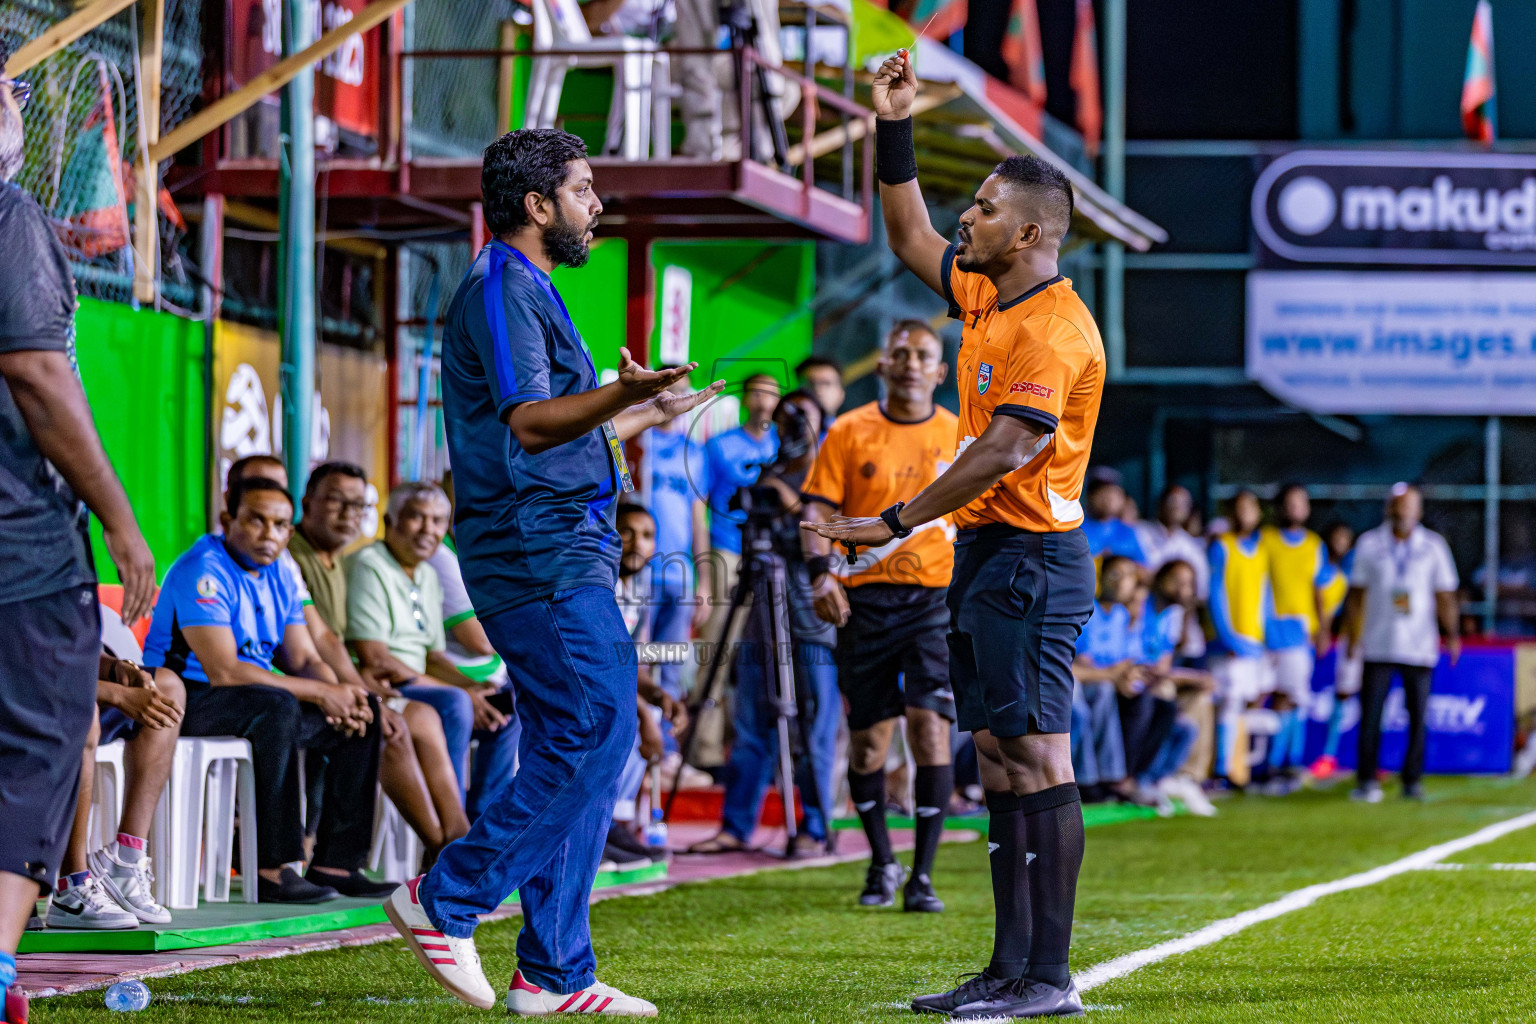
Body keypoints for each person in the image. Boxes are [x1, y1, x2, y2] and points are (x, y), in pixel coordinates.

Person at [383, 128, 721, 1015]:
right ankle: (444, 898)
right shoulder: (501, 281)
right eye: (583, 188)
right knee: (600, 730)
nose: (595, 203)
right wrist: (628, 392)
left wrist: (647, 413)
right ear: (537, 207)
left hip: (559, 543)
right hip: (537, 553)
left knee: (586, 736)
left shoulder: (529, 288)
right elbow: (532, 424)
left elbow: (556, 439)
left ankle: (553, 973)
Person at [806, 50, 1103, 1017]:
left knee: (1038, 757)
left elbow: (1007, 450)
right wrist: (891, 122)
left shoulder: (1052, 333)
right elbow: (904, 227)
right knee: (995, 756)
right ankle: (1007, 967)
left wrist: (894, 519)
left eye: (978, 208)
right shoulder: (987, 292)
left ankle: (1047, 978)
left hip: (1032, 562)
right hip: (985, 558)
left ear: (1024, 232)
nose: (962, 219)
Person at [0, 54, 158, 1024]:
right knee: (32, 754)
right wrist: (120, 514)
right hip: (18, 553)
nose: (16, 100)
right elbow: (38, 374)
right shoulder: (8, 216)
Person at [143, 476, 389, 903]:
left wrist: (339, 695)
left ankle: (337, 862)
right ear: (227, 519)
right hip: (183, 699)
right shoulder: (203, 568)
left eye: (279, 525)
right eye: (256, 521)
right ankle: (272, 869)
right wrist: (317, 694)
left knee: (363, 710)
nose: (269, 534)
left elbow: (305, 657)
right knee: (276, 707)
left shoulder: (279, 573)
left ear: (289, 532)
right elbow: (224, 670)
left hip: (251, 696)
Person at [801, 320, 958, 911]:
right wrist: (819, 574)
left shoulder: (959, 434)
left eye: (924, 355)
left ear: (940, 371)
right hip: (862, 600)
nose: (913, 363)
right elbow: (815, 512)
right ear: (885, 366)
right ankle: (881, 863)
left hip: (935, 601)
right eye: (901, 354)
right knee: (869, 744)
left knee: (930, 727)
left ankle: (923, 876)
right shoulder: (847, 431)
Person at [289, 463, 471, 865]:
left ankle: (456, 837)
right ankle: (445, 849)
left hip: (345, 682)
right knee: (402, 721)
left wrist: (360, 688)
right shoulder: (295, 557)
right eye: (337, 501)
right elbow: (318, 650)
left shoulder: (334, 559)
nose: (348, 513)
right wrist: (359, 691)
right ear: (307, 504)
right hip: (302, 687)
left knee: (427, 715)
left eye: (357, 504)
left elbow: (330, 641)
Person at [688, 391, 841, 857]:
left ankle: (815, 829)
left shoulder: (833, 465)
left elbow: (839, 526)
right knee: (753, 710)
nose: (792, 425)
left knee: (813, 715)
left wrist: (790, 502)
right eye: (785, 418)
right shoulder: (770, 468)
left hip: (811, 598)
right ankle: (736, 826)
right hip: (763, 592)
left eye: (803, 417)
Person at [347, 483, 520, 824]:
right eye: (417, 518)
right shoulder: (370, 564)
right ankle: (453, 828)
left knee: (506, 702)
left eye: (438, 521)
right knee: (455, 705)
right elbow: (375, 658)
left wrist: (474, 690)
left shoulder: (427, 573)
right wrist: (462, 693)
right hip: (383, 685)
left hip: (417, 679)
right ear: (389, 520)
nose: (429, 529)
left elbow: (432, 656)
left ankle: (484, 822)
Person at [40, 617, 184, 931]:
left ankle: (125, 859)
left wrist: (118, 668)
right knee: (82, 712)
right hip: (24, 698)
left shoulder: (63, 576)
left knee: (167, 686)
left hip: (54, 687)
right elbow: (26, 669)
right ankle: (71, 886)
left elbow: (72, 651)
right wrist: (115, 694)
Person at [1342, 484, 1460, 803]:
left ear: (1419, 511)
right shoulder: (1369, 543)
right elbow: (1356, 595)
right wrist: (1352, 636)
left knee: (1418, 716)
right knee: (1371, 716)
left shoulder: (1433, 546)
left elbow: (1445, 594)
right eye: (1398, 505)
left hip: (1419, 644)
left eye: (1409, 506)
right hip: (1378, 642)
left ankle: (1412, 780)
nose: (1403, 512)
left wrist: (1452, 634)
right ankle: (1367, 779)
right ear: (1388, 509)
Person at [610, 502, 688, 866]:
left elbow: (628, 663)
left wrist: (659, 695)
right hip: (578, 686)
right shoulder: (601, 583)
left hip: (608, 685)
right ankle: (603, 825)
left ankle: (616, 824)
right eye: (626, 532)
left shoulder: (637, 588)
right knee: (634, 718)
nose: (636, 543)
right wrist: (644, 715)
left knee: (652, 708)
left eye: (646, 536)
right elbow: (603, 666)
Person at [640, 373, 712, 700]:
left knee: (669, 661)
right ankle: (637, 743)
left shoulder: (695, 453)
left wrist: (706, 582)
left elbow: (699, 522)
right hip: (638, 572)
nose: (675, 400)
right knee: (635, 657)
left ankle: (665, 739)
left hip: (679, 575)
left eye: (683, 393)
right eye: (669, 392)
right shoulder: (635, 443)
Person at [1259, 484, 1331, 792]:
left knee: (1297, 699)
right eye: (1288, 503)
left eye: (1299, 503)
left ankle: (1291, 761)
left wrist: (1324, 629)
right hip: (1265, 630)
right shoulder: (1265, 540)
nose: (1294, 508)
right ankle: (1266, 763)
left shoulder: (1314, 545)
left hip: (1300, 634)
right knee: (1270, 699)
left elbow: (1320, 590)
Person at [1207, 489, 1271, 786]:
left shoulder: (1260, 551)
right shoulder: (1222, 546)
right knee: (1227, 703)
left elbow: (1264, 597)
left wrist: (1264, 639)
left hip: (1253, 643)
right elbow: (1215, 593)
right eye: (1241, 507)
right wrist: (1227, 636)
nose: (1246, 513)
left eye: (1251, 507)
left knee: (1244, 703)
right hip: (1229, 644)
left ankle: (1237, 767)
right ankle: (1220, 769)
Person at [1070, 556, 1139, 804]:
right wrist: (1112, 675)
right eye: (1115, 574)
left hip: (1096, 681)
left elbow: (1122, 663)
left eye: (1129, 576)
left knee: (1109, 691)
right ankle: (1086, 780)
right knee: (1088, 699)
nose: (1122, 582)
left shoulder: (1121, 616)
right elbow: (1073, 667)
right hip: (1072, 681)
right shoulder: (1086, 610)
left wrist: (1122, 675)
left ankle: (1110, 777)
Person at [1311, 522, 1358, 781]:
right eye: (1336, 537)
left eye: (1345, 538)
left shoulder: (1351, 569)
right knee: (1340, 694)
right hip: (1331, 639)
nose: (1341, 542)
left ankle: (1362, 759)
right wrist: (1323, 631)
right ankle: (1327, 756)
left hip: (1356, 638)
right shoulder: (1320, 569)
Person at [1081, 468, 1147, 567]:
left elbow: (1146, 569)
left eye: (1113, 492)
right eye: (1101, 492)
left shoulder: (1127, 530)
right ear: (1089, 496)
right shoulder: (1076, 526)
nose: (1108, 498)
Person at [795, 354, 846, 431]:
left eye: (826, 383)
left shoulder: (849, 438)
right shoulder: (773, 433)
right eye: (810, 383)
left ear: (841, 395)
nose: (818, 389)